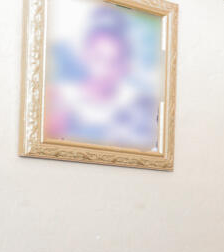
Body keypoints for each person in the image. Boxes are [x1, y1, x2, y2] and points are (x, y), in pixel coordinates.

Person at [48, 5, 157, 150]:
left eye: (114, 62)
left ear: (124, 66)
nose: (105, 70)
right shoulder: (62, 97)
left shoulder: (137, 104)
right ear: (86, 55)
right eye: (98, 58)